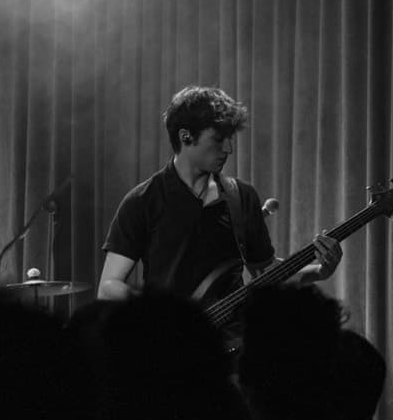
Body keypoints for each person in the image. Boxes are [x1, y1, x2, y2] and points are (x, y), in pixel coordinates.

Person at [98, 85, 341, 304]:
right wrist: (159, 313)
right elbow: (109, 286)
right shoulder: (143, 200)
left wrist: (319, 271)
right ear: (186, 136)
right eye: (218, 140)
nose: (229, 149)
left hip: (231, 344)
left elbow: (265, 273)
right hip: (169, 344)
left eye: (230, 139)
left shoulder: (241, 196)